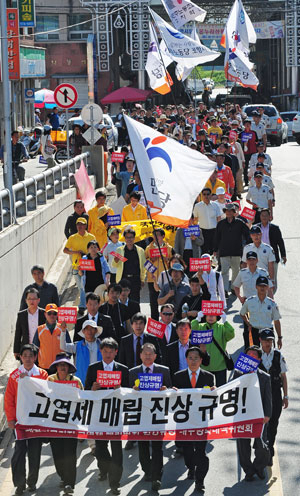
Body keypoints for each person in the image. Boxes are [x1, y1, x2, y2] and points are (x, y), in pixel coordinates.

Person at [85, 337, 129, 496]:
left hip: (116, 415)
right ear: (100, 352)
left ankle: (115, 482)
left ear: (116, 352)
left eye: (111, 351)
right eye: (105, 351)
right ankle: (104, 469)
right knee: (101, 448)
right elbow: (86, 391)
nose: (108, 354)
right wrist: (93, 388)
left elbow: (130, 393)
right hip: (99, 416)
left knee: (117, 450)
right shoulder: (93, 368)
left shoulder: (123, 369)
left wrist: (121, 389)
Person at [4, 344, 48, 495]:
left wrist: (29, 380)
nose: (28, 359)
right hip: (19, 421)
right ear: (20, 357)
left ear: (35, 357)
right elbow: (9, 399)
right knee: (19, 452)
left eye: (31, 355)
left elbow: (45, 394)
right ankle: (20, 484)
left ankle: (32, 481)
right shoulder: (14, 376)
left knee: (35, 451)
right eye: (25, 356)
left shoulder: (42, 374)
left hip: (36, 420)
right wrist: (10, 418)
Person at [129, 343, 172, 491]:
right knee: (143, 446)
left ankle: (157, 477)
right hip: (140, 415)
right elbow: (126, 395)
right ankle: (147, 470)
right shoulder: (133, 372)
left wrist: (165, 390)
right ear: (140, 355)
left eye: (150, 353)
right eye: (145, 353)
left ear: (155, 356)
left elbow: (171, 393)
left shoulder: (164, 371)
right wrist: (132, 391)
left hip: (158, 415)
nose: (147, 356)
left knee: (158, 447)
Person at [173, 347, 215, 493]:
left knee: (201, 453)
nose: (193, 361)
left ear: (201, 360)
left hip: (201, 422)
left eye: (196, 358)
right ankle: (191, 468)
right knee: (188, 452)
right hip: (184, 422)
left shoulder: (209, 377)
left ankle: (200, 480)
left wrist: (214, 392)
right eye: (190, 358)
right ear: (186, 360)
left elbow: (213, 400)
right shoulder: (178, 377)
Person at [235, 345, 272, 482]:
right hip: (242, 416)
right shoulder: (238, 374)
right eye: (248, 354)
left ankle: (259, 467)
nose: (250, 357)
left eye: (254, 355)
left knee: (262, 446)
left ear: (259, 359)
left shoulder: (265, 377)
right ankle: (248, 470)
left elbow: (268, 398)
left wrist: (267, 415)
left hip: (259, 417)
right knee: (243, 446)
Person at [48, 353, 83, 495]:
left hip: (71, 423)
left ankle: (69, 483)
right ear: (56, 367)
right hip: (54, 423)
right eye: (60, 365)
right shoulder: (49, 380)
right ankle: (63, 476)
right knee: (57, 453)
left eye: (65, 365)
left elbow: (83, 399)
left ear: (69, 368)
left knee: (70, 453)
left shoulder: (76, 381)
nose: (62, 367)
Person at [259, 328, 288, 466]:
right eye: (265, 340)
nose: (268, 343)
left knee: (274, 422)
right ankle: (263, 450)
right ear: (260, 340)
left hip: (276, 393)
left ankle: (269, 448)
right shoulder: (255, 355)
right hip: (260, 395)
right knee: (262, 424)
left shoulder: (278, 355)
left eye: (270, 340)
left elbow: (284, 376)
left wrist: (286, 396)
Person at [213, 203, 251, 297]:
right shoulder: (221, 224)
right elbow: (216, 237)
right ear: (225, 212)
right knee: (225, 272)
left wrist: (248, 245)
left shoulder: (239, 223)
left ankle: (234, 288)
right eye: (227, 211)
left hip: (236, 251)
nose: (229, 212)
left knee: (236, 271)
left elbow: (247, 233)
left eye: (231, 211)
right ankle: (225, 290)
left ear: (234, 212)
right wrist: (215, 249)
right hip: (224, 252)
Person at [191, 311, 234, 386]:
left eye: (213, 315)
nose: (210, 317)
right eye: (208, 315)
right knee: (205, 391)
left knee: (221, 390)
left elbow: (231, 334)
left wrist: (225, 321)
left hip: (220, 364)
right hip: (204, 365)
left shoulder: (222, 327)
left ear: (217, 317)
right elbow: (191, 329)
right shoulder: (201, 326)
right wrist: (197, 319)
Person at [63, 217, 96, 314]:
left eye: (82, 224)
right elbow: (65, 250)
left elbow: (95, 249)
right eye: (78, 224)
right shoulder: (72, 238)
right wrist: (75, 252)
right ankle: (84, 305)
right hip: (76, 266)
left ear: (85, 226)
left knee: (85, 286)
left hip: (88, 265)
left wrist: (87, 254)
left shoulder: (91, 237)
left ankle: (85, 304)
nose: (80, 226)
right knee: (81, 286)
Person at [240, 276, 282, 349]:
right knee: (253, 356)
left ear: (267, 287)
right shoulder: (250, 301)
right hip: (254, 332)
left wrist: (279, 338)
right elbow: (242, 313)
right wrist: (248, 323)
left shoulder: (272, 304)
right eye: (260, 286)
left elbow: (277, 321)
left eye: (264, 286)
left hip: (267, 333)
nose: (262, 288)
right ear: (256, 287)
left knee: (268, 357)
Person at [60, 319, 103, 385]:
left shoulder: (102, 345)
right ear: (83, 331)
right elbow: (63, 347)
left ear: (96, 330)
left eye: (92, 328)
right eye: (87, 329)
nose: (89, 331)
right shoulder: (77, 345)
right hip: (81, 381)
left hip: (98, 381)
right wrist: (63, 331)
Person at [32, 304, 71, 372]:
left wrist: (66, 363)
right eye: (49, 313)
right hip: (44, 367)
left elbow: (69, 348)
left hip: (59, 367)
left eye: (54, 313)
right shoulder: (39, 329)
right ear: (45, 314)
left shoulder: (63, 329)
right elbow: (35, 349)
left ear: (57, 315)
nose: (52, 316)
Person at [145, 229, 173, 321]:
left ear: (163, 236)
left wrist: (166, 259)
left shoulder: (169, 248)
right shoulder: (149, 248)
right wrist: (151, 260)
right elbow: (144, 262)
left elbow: (174, 262)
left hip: (165, 278)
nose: (156, 237)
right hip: (152, 279)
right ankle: (155, 322)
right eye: (154, 235)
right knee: (153, 302)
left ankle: (166, 320)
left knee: (166, 300)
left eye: (158, 235)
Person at [112, 228, 146, 303]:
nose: (129, 239)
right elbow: (114, 265)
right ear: (125, 238)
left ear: (134, 238)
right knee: (122, 300)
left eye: (131, 237)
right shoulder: (119, 250)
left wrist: (142, 279)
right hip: (123, 278)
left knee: (135, 301)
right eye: (127, 237)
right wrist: (115, 260)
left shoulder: (140, 250)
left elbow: (143, 266)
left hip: (136, 279)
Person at [257, 209, 287, 293]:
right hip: (260, 257)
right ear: (260, 217)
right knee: (260, 277)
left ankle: (271, 296)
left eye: (266, 215)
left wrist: (283, 255)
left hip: (272, 257)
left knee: (272, 278)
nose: (264, 217)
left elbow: (280, 242)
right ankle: (261, 296)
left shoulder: (275, 228)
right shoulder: (256, 228)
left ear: (269, 217)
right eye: (262, 215)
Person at [14, 288, 46, 359]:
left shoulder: (45, 314)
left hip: (42, 349)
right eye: (29, 299)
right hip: (26, 350)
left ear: (38, 300)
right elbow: (18, 333)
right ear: (26, 301)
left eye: (34, 299)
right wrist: (16, 350)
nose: (32, 301)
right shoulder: (21, 315)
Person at [193, 188, 222, 254]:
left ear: (211, 195)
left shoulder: (216, 205)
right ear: (201, 195)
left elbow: (219, 219)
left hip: (214, 231)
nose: (206, 196)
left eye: (208, 194)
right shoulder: (197, 206)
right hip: (203, 232)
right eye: (204, 194)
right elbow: (195, 220)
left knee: (214, 251)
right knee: (204, 251)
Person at [239, 120, 258, 186]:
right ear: (244, 125)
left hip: (253, 152)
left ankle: (255, 180)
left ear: (250, 125)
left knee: (255, 167)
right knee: (245, 167)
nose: (247, 125)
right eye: (246, 124)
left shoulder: (254, 133)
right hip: (245, 153)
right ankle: (246, 181)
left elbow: (257, 142)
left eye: (248, 124)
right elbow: (239, 143)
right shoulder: (241, 133)